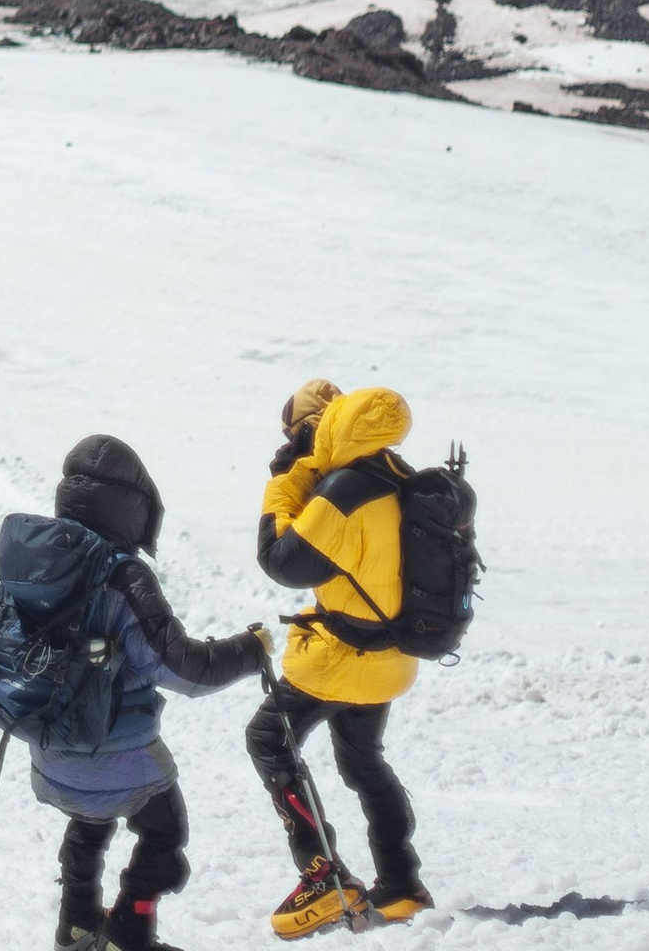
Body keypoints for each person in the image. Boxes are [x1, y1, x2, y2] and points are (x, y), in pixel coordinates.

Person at [11, 437, 265, 951]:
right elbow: (187, 670)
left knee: (89, 822)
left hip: (49, 751)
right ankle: (130, 932)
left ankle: (77, 927)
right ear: (132, 508)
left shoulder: (34, 561)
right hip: (120, 757)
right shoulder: (124, 576)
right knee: (163, 834)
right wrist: (250, 649)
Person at [244, 384, 429, 936]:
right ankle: (401, 886)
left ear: (316, 429)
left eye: (296, 434)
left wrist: (288, 481)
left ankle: (322, 876)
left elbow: (282, 561)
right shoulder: (398, 473)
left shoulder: (344, 489)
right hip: (392, 655)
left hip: (341, 657)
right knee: (364, 764)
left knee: (266, 739)